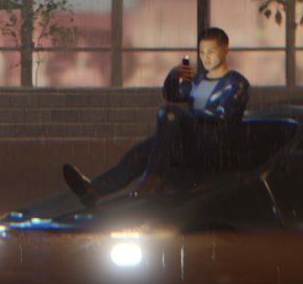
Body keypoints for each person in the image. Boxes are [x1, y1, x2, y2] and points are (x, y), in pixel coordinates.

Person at [62, 27, 249, 208]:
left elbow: (222, 115)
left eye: (211, 52)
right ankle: (94, 190)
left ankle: (151, 179)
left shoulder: (236, 82)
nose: (205, 57)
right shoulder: (199, 81)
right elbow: (172, 94)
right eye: (202, 52)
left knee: (170, 114)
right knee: (142, 151)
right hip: (187, 142)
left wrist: (187, 118)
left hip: (211, 143)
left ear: (225, 51)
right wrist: (174, 76)